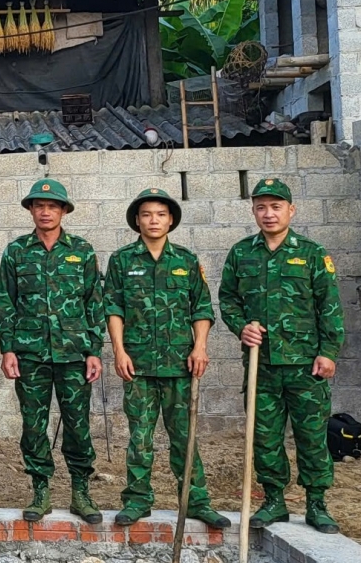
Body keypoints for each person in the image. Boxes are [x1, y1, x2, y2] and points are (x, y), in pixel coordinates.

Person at [219, 178, 345, 534]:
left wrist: (329, 352)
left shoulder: (312, 253)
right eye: (261, 207)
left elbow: (330, 307)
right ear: (253, 211)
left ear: (291, 210)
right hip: (263, 366)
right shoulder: (242, 253)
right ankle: (273, 500)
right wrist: (241, 326)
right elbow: (227, 298)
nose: (268, 214)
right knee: (265, 436)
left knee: (311, 435)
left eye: (276, 207)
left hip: (306, 366)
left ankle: (317, 503)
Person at [103, 187, 230, 529]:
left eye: (160, 214)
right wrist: (119, 351)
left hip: (179, 365)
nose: (153, 220)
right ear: (137, 221)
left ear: (170, 219)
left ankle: (195, 501)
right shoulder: (122, 261)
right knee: (140, 438)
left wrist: (200, 346)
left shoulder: (186, 261)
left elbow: (201, 308)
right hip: (139, 366)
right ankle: (137, 501)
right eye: (146, 214)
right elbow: (113, 308)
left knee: (185, 437)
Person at [0, 179, 104, 524]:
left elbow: (94, 305)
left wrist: (94, 350)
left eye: (53, 206)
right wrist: (8, 349)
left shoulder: (82, 251)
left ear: (63, 211)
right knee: (33, 425)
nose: (45, 211)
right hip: (30, 355)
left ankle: (80, 492)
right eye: (39, 205)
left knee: (77, 425)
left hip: (74, 354)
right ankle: (40, 491)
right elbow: (5, 302)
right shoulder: (16, 251)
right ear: (31, 210)